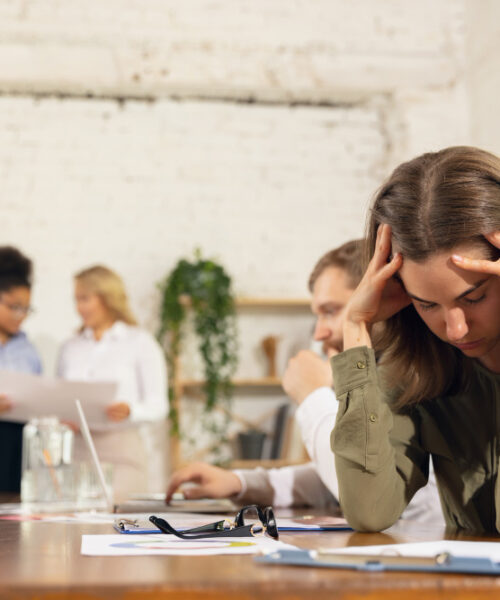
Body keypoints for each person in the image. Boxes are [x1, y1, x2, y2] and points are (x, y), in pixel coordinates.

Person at [166, 241, 444, 525]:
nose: (320, 332)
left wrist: (313, 396)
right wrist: (241, 482)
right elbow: (352, 470)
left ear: (381, 298)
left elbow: (368, 493)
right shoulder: (378, 372)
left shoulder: (419, 378)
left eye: (331, 311)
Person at [330, 146, 500, 532]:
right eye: (427, 305)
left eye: (474, 297)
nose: (455, 329)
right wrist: (356, 329)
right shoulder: (419, 366)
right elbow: (369, 511)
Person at [57, 265, 168, 498]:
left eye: (85, 299)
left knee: (116, 521)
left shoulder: (140, 342)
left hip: (122, 450)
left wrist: (130, 411)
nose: (79, 308)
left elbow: (159, 405)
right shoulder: (70, 347)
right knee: (72, 523)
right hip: (77, 449)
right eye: (76, 300)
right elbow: (62, 396)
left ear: (107, 297)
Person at [0, 247, 42, 492]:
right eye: (14, 307)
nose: (21, 316)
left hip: (17, 456)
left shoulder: (28, 351)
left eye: (26, 308)